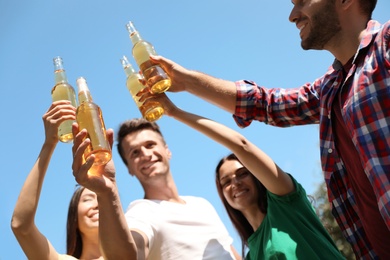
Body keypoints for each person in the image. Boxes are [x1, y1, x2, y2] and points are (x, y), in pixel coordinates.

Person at [141, 0, 390, 258]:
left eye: (302, 2)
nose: (293, 15)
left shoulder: (386, 46)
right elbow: (265, 104)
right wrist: (186, 82)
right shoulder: (328, 91)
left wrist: (175, 111)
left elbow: (243, 143)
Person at [142, 92, 345, 259]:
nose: (235, 183)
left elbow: (242, 146)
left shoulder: (287, 204)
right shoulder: (250, 256)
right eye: (226, 182)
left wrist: (175, 112)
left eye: (241, 174)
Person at [71, 118, 241, 259]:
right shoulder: (141, 212)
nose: (145, 154)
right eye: (134, 153)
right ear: (129, 168)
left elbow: (230, 252)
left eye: (150, 145)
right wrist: (108, 193)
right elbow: (126, 256)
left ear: (167, 151)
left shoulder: (202, 204)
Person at [11, 101, 103, 260]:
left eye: (102, 199)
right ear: (74, 218)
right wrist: (49, 143)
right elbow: (21, 226)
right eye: (88, 199)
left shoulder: (136, 247)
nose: (97, 204)